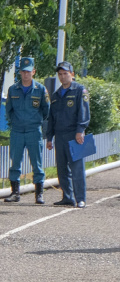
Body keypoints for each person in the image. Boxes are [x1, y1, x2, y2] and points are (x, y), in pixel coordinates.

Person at [4, 57, 50, 204]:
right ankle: (15, 192)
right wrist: (15, 123)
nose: (26, 74)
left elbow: (46, 110)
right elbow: (9, 110)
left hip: (33, 131)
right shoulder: (13, 89)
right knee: (15, 162)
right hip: (17, 131)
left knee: (37, 163)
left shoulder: (41, 89)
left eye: (28, 71)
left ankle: (39, 194)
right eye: (23, 71)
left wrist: (35, 121)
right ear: (20, 73)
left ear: (33, 72)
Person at [46, 61, 91, 209]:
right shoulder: (56, 94)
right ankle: (67, 197)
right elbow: (51, 118)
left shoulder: (79, 90)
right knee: (62, 169)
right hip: (60, 135)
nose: (62, 76)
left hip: (74, 134)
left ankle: (80, 199)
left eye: (65, 73)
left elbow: (83, 113)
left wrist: (80, 130)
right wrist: (49, 137)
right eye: (60, 74)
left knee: (77, 168)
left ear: (72, 74)